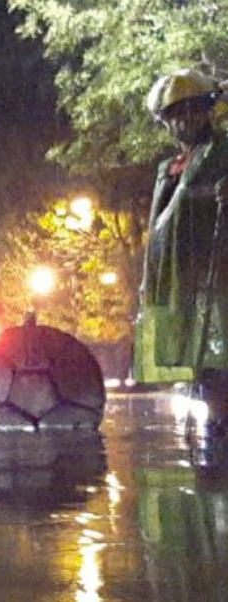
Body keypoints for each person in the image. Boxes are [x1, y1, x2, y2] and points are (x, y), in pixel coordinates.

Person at [135, 68, 228, 431]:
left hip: (219, 273)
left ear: (208, 112)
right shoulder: (167, 169)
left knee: (219, 358)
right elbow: (158, 225)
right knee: (196, 362)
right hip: (179, 279)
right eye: (177, 114)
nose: (187, 120)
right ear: (166, 123)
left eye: (194, 110)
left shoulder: (223, 150)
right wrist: (148, 280)